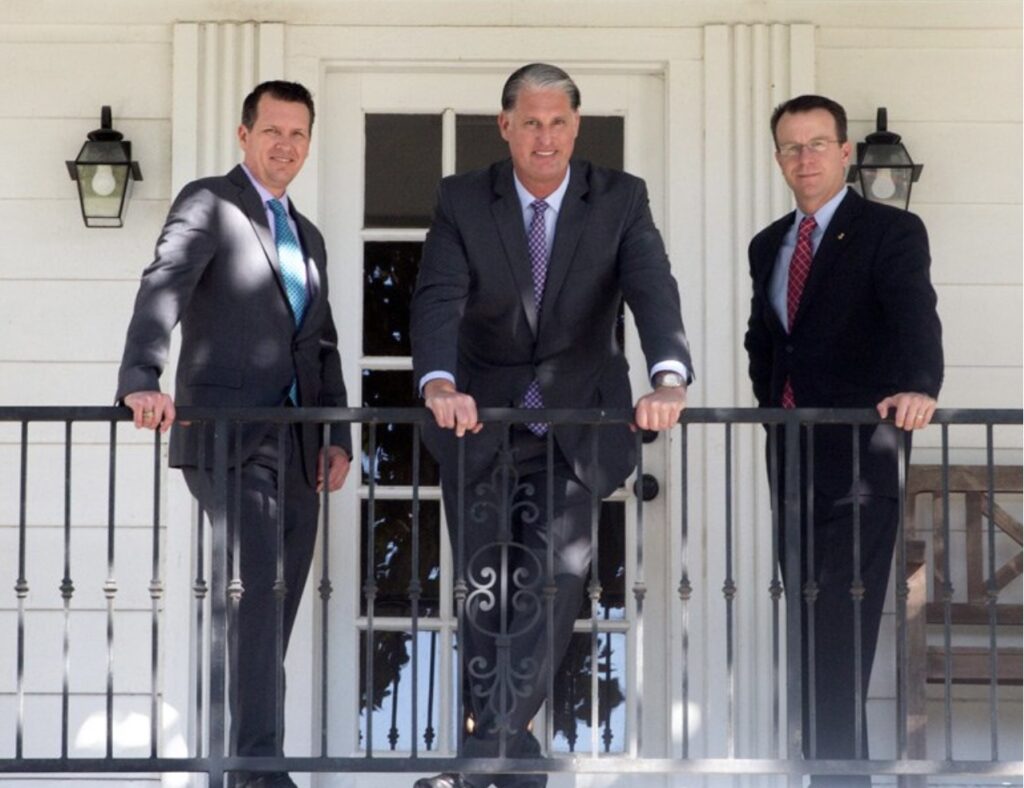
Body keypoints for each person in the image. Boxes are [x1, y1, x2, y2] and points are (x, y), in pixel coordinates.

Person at [409, 63, 693, 788]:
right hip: (480, 423)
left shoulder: (620, 198)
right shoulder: (463, 199)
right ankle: (509, 760)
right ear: (505, 126)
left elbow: (652, 288)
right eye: (530, 122)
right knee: (486, 593)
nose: (545, 137)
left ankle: (490, 751)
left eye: (558, 122)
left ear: (576, 126)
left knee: (553, 585)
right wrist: (438, 384)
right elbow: (437, 298)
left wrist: (669, 377)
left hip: (575, 424)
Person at [116, 80, 351, 788]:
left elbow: (322, 344)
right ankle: (256, 769)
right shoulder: (210, 203)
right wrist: (141, 376)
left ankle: (243, 762)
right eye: (273, 130)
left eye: (298, 134)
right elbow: (164, 283)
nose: (286, 145)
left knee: (272, 612)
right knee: (258, 597)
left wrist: (335, 434)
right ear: (244, 135)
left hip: (299, 445)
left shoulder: (308, 236)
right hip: (229, 435)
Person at [744, 94, 943, 787]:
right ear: (778, 158)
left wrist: (920, 386)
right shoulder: (768, 244)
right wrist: (772, 411)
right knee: (807, 622)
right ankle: (828, 772)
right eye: (791, 147)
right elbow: (765, 342)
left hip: (863, 453)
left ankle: (838, 779)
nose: (805, 158)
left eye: (817, 144)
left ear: (845, 153)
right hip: (791, 455)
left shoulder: (891, 230)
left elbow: (916, 314)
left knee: (841, 620)